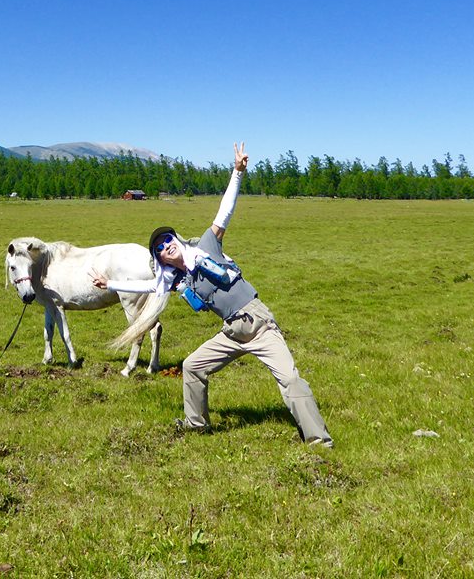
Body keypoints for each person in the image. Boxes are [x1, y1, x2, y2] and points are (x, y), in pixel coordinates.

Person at [91, 142, 333, 447]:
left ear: (177, 239)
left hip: (258, 323)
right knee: (192, 366)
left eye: (168, 239)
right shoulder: (180, 280)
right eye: (161, 248)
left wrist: (237, 172)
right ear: (161, 259)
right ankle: (197, 424)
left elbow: (225, 210)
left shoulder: (206, 245)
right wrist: (110, 285)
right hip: (232, 331)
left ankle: (319, 441)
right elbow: (149, 287)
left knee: (290, 379)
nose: (167, 246)